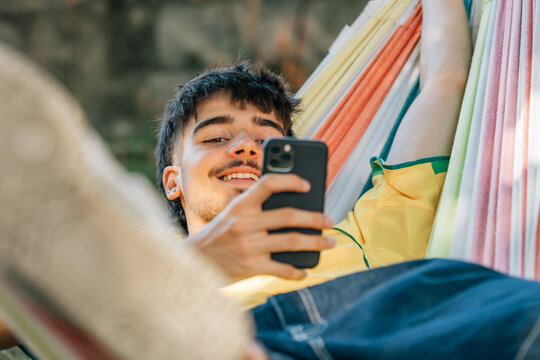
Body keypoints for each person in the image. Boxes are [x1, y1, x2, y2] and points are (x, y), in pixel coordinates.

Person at [1, 0, 539, 359]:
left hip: (364, 333)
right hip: (206, 339)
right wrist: (205, 258)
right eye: (216, 138)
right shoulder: (135, 250)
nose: (244, 147)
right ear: (172, 180)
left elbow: (445, 79)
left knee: (443, 286)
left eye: (266, 140)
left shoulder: (363, 233)